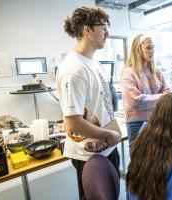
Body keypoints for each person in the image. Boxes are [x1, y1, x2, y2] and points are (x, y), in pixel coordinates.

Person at [56, 7, 121, 200]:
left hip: (107, 147)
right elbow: (74, 123)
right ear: (87, 30)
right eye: (103, 27)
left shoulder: (92, 62)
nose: (107, 33)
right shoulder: (73, 69)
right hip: (89, 156)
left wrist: (111, 135)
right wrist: (109, 134)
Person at [121, 34, 170, 152]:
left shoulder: (156, 71)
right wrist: (162, 97)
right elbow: (136, 102)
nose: (152, 51)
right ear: (138, 49)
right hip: (136, 123)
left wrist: (159, 97)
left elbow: (168, 92)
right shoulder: (129, 73)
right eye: (148, 48)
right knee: (139, 164)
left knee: (157, 161)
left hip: (157, 120)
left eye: (153, 47)